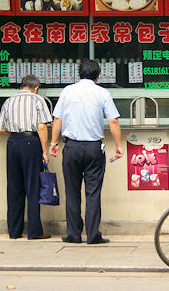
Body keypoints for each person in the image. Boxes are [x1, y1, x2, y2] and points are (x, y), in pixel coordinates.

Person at [50, 59, 123, 244]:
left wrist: (53, 143)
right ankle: (92, 235)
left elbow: (57, 118)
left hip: (72, 147)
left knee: (72, 192)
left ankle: (74, 234)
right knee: (93, 193)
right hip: (93, 149)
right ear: (98, 77)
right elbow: (113, 121)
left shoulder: (67, 91)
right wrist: (119, 145)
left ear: (78, 74)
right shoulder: (102, 92)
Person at [0, 75, 53, 240]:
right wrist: (44, 151)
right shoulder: (38, 99)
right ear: (36, 88)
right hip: (31, 143)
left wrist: (16, 131)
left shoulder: (9, 101)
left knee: (14, 188)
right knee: (33, 186)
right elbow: (41, 126)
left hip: (13, 143)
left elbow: (0, 129)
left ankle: (14, 231)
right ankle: (34, 231)